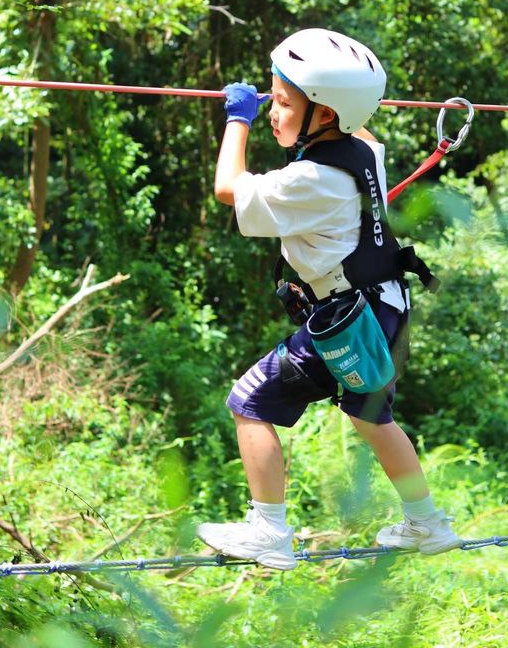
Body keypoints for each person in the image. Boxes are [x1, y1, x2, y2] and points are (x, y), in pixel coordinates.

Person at [197, 28, 460, 569]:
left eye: (283, 101)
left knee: (248, 401)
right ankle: (427, 524)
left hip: (345, 320)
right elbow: (354, 118)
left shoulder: (311, 179)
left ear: (324, 115)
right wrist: (301, 94)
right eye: (271, 96)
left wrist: (237, 118)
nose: (274, 109)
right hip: (383, 308)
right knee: (372, 417)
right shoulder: (363, 147)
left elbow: (229, 187)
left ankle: (268, 532)